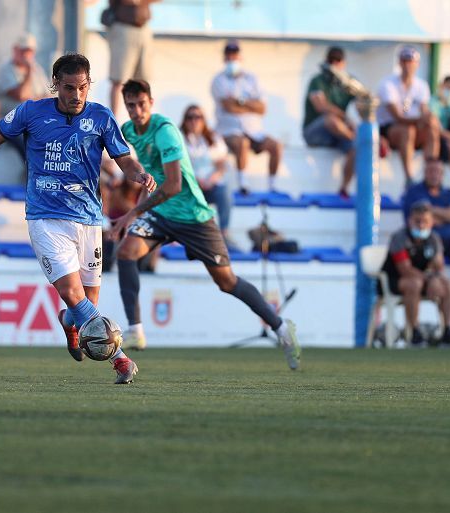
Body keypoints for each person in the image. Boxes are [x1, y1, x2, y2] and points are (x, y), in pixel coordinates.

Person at [0, 53, 156, 384]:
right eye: (69, 88)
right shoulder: (31, 111)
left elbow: (123, 158)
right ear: (55, 85)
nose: (76, 95)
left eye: (82, 87)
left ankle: (69, 320)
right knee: (72, 292)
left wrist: (140, 174)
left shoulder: (101, 117)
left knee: (85, 305)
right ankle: (120, 360)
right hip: (46, 217)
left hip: (89, 219)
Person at [111, 79, 300, 369]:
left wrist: (132, 213)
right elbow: (149, 177)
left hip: (194, 218)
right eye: (131, 105)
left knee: (227, 282)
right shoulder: (128, 131)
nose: (136, 110)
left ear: (152, 102)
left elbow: (173, 185)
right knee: (126, 252)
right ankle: (135, 330)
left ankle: (281, 327)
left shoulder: (165, 133)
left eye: (141, 104)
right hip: (161, 214)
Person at [380, 201, 450, 347]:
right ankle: (414, 331)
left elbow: (438, 266)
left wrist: (434, 278)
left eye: (425, 221)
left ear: (432, 223)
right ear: (410, 220)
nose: (421, 225)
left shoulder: (434, 239)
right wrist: (430, 279)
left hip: (424, 280)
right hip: (395, 280)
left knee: (447, 284)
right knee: (414, 284)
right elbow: (405, 270)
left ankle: (448, 330)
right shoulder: (400, 238)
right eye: (418, 221)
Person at [211, 40, 282, 194]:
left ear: (240, 58)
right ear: (224, 59)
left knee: (276, 146)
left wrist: (240, 102)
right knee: (242, 143)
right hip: (229, 131)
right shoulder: (218, 80)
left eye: (234, 57)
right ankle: (243, 184)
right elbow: (228, 107)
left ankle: (272, 186)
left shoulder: (252, 78)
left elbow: (262, 108)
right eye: (229, 57)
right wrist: (251, 105)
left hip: (254, 131)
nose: (232, 60)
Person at [376, 46, 439, 187]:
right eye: (404, 61)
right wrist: (422, 119)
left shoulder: (421, 86)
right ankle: (409, 177)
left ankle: (431, 172)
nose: (407, 65)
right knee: (407, 131)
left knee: (431, 128)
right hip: (389, 129)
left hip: (411, 126)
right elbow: (397, 117)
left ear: (417, 64)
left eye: (411, 62)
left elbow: (423, 111)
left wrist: (428, 120)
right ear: (399, 63)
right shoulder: (388, 83)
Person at [303, 47, 358, 197]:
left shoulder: (348, 83)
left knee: (355, 150)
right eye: (331, 60)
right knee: (332, 121)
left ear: (343, 63)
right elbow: (321, 106)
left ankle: (344, 188)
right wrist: (346, 118)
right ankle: (358, 140)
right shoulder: (317, 81)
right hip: (315, 132)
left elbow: (362, 103)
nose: (334, 64)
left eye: (338, 60)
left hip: (338, 134)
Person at [180, 104, 233, 244]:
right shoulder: (179, 139)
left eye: (198, 117)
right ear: (185, 120)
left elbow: (221, 165)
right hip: (189, 185)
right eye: (190, 117)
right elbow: (178, 167)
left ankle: (224, 232)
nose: (194, 121)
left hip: (210, 184)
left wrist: (211, 180)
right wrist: (196, 180)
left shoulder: (213, 138)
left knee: (225, 192)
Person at [104, 0, 157, 115]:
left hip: (144, 27)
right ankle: (114, 121)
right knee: (119, 79)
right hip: (123, 27)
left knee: (142, 80)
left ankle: (142, 118)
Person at [0, 33, 50, 114]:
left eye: (29, 51)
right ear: (15, 50)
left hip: (35, 115)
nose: (26, 55)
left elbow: (48, 96)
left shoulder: (37, 69)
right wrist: (29, 71)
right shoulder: (6, 69)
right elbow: (21, 95)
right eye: (23, 50)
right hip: (13, 119)